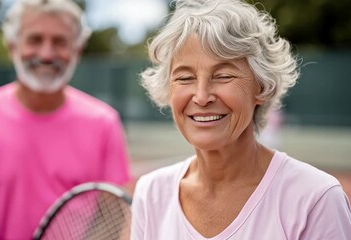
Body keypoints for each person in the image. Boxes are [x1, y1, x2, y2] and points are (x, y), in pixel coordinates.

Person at [131, 0, 351, 239]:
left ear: (262, 86)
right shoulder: (150, 193)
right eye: (184, 78)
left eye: (224, 75)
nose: (202, 96)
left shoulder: (316, 199)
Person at [0, 0, 132, 239]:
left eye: (60, 42)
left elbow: (110, 215)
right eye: (34, 40)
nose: (46, 54)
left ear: (77, 50)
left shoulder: (105, 123)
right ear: (12, 46)